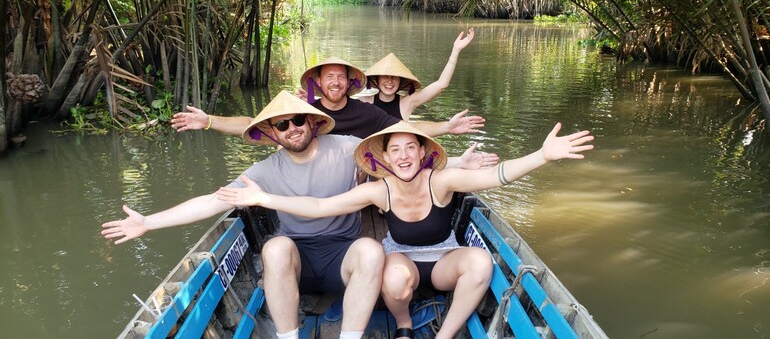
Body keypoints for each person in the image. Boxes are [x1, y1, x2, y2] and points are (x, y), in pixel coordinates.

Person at [215, 121, 595, 339]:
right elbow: (319, 207)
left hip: (444, 259)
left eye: (410, 147)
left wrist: (542, 156)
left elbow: (496, 176)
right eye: (394, 150)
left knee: (480, 262)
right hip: (403, 262)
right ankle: (404, 323)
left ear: (422, 152)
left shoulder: (442, 180)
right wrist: (266, 200)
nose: (403, 155)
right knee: (393, 276)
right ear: (385, 158)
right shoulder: (378, 190)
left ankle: (444, 335)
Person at [101, 91, 384, 339]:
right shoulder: (265, 170)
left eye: (298, 120)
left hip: (342, 255)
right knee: (274, 247)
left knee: (372, 250)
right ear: (273, 134)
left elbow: (394, 160)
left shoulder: (348, 148)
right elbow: (213, 202)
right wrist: (148, 222)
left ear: (312, 121)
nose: (293, 129)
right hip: (295, 265)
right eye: (282, 125)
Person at [170, 57, 485, 139]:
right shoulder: (303, 112)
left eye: (340, 77)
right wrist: (209, 121)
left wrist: (447, 126)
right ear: (318, 83)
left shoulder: (368, 112)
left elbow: (404, 129)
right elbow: (255, 125)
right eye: (328, 76)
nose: (335, 82)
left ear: (350, 83)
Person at [360, 29, 474, 120]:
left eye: (394, 77)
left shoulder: (408, 102)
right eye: (385, 76)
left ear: (401, 81)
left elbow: (441, 84)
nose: (390, 81)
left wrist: (456, 51)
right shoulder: (364, 102)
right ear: (377, 80)